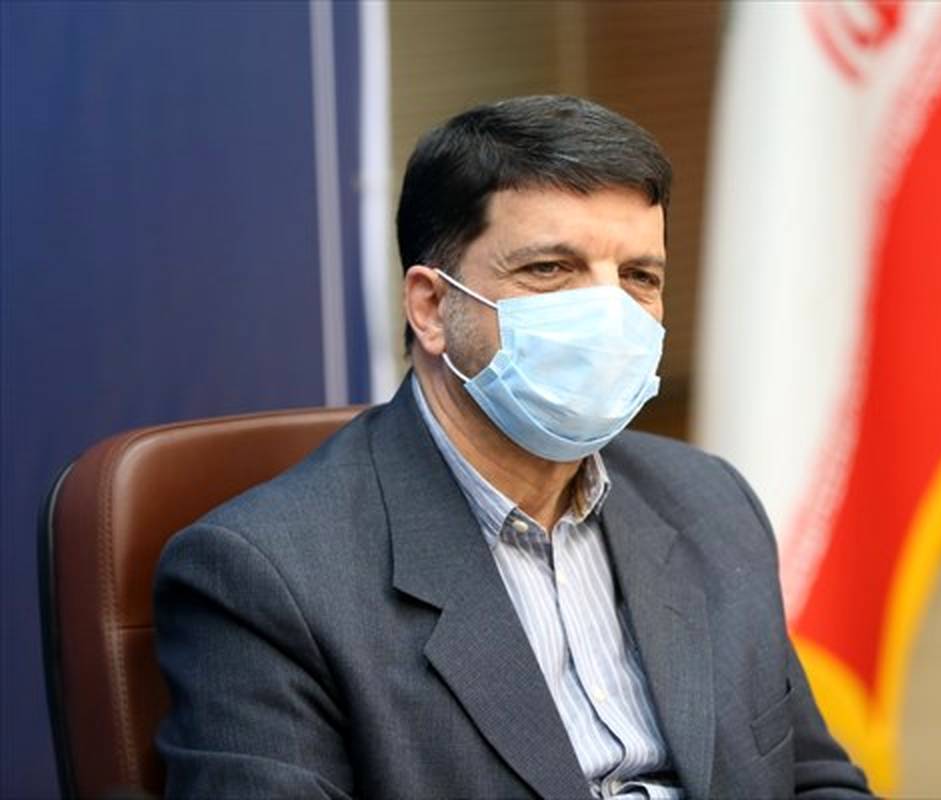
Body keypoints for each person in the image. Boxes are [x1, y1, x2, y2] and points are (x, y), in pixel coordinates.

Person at [154, 95, 871, 799]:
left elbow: (814, 780)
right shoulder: (267, 577)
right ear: (432, 307)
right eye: (550, 269)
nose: (609, 314)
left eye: (638, 277)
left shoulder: (709, 502)